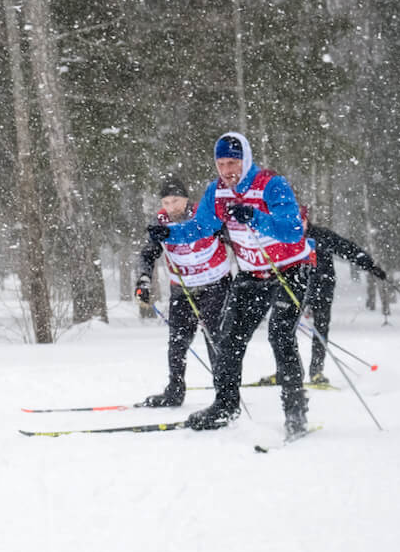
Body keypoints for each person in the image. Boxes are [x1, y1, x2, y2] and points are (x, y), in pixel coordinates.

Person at [157, 132, 316, 438]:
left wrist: (255, 217)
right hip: (252, 274)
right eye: (221, 163)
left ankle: (295, 411)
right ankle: (226, 404)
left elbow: (293, 230)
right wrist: (168, 235)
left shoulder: (271, 185)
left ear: (246, 160)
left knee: (280, 336)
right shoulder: (216, 192)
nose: (227, 170)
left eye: (233, 162)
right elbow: (200, 227)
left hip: (289, 270)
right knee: (228, 339)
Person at [133, 175, 233, 408]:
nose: (171, 207)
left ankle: (224, 394)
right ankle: (174, 392)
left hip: (215, 285)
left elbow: (232, 239)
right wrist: (144, 280)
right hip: (182, 288)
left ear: (186, 199)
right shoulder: (160, 222)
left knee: (214, 339)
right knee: (177, 342)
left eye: (176, 201)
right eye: (166, 202)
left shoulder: (204, 215)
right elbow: (148, 254)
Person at [299, 219, 385, 385]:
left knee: (321, 329)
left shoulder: (322, 235)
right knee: (283, 330)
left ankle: (316, 372)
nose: (298, 224)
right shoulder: (287, 236)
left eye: (301, 220)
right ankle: (286, 371)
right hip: (299, 289)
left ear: (306, 220)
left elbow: (348, 249)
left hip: (323, 288)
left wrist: (370, 265)